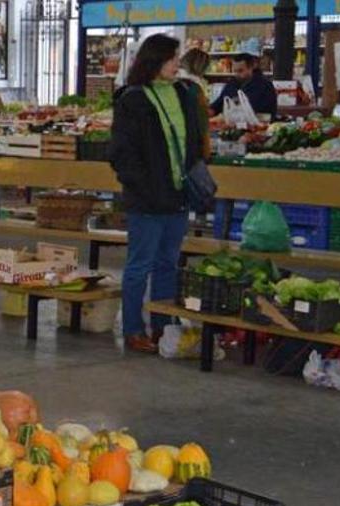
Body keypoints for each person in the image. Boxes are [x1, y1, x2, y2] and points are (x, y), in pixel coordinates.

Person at [110, 34, 205, 353]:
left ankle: (164, 326)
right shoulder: (132, 99)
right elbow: (123, 153)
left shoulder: (183, 93)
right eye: (172, 58)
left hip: (178, 197)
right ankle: (134, 330)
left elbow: (193, 139)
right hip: (147, 200)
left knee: (168, 264)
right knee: (140, 265)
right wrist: (143, 186)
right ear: (154, 61)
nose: (178, 64)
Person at [209, 53, 277, 118]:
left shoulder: (265, 86)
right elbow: (217, 106)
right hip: (233, 127)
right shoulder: (231, 84)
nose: (237, 74)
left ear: (251, 68)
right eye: (235, 71)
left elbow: (266, 112)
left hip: (260, 127)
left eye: (240, 71)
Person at [177, 48, 213, 159]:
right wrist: (206, 151)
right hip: (192, 146)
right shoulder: (195, 87)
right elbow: (202, 123)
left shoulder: (173, 83)